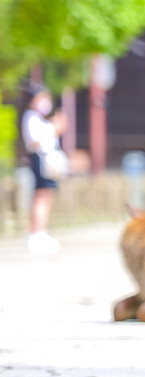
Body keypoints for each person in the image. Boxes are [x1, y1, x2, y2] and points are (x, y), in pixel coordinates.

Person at [21, 86, 65, 254]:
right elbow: (36, 142)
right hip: (40, 158)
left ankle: (41, 230)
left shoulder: (41, 119)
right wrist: (55, 128)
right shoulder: (31, 117)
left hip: (48, 158)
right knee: (41, 195)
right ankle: (35, 232)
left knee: (47, 195)